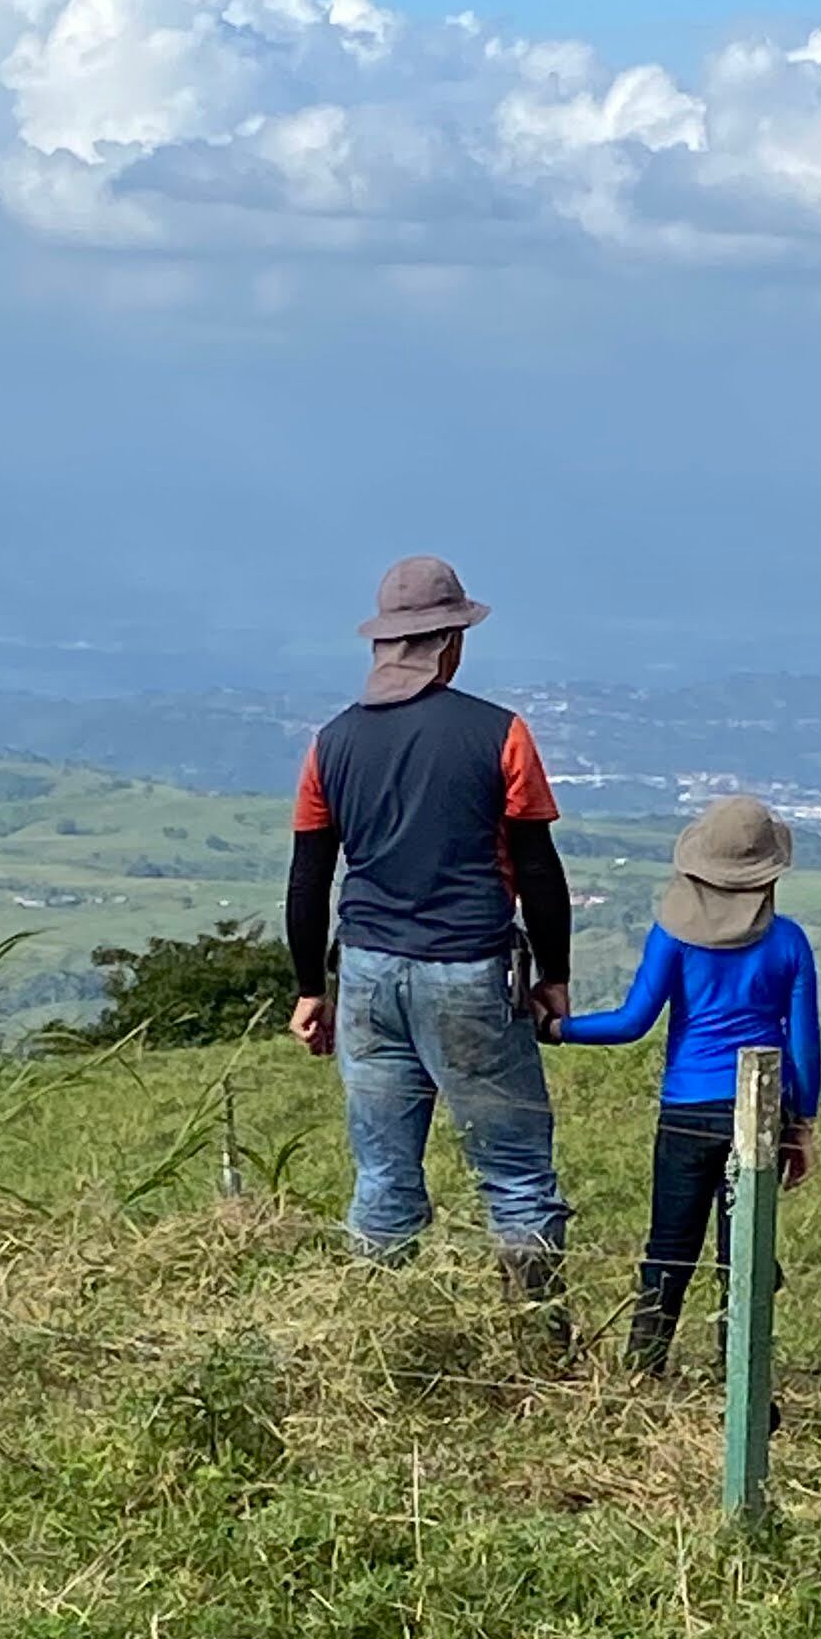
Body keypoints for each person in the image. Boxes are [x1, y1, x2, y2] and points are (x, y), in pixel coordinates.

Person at [284, 555, 574, 1324]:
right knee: (515, 1174)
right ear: (451, 642)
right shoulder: (500, 734)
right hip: (469, 969)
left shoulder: (331, 743)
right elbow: (538, 868)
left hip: (367, 976)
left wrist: (311, 988)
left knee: (383, 1175)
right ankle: (538, 1341)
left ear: (384, 643)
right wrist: (554, 976)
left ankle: (377, 1338)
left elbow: (309, 878)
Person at [559, 795, 820, 1376]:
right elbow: (804, 1046)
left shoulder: (671, 938)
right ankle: (740, 1375)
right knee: (743, 1255)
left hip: (685, 1111)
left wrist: (557, 1029)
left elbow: (631, 1023)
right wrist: (801, 1125)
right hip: (758, 1113)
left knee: (668, 1251)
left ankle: (643, 1369)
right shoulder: (788, 942)